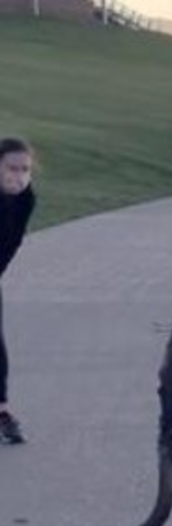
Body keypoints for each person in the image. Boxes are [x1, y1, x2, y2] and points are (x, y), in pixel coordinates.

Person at [0, 137, 37, 445]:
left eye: (25, 169)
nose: (19, 175)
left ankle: (1, 410)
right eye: (12, 168)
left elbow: (11, 243)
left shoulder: (26, 199)